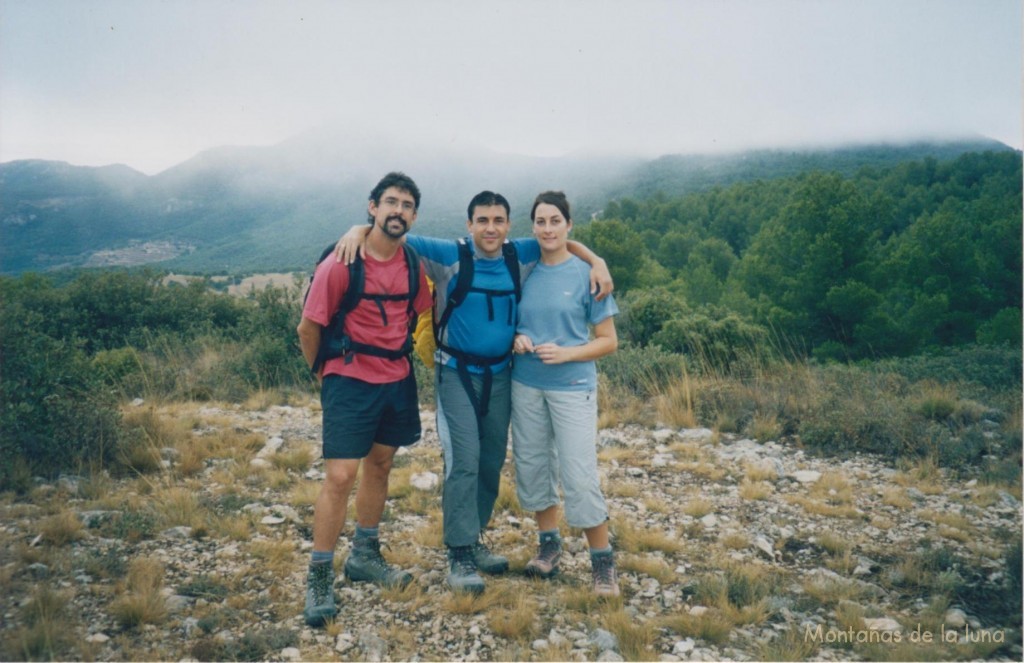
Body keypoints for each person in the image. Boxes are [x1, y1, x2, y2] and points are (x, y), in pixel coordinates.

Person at [335, 191, 613, 594]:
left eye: (499, 220)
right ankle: (459, 552)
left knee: (489, 460)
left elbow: (562, 241)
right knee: (463, 459)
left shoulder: (518, 254)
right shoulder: (451, 255)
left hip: (502, 375)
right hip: (456, 374)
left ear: (508, 226)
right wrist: (359, 227)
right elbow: (397, 234)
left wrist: (597, 261)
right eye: (482, 220)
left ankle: (475, 537)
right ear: (469, 225)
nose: (491, 228)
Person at [297, 172, 432, 626]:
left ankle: (365, 556)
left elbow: (416, 314)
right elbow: (308, 328)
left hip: (395, 378)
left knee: (380, 465)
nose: (398, 211)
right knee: (339, 476)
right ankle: (319, 575)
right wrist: (325, 376)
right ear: (371, 207)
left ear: (414, 215)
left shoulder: (413, 264)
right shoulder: (341, 263)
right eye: (390, 202)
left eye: (407, 204)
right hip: (350, 379)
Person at [510, 190, 621, 597]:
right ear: (533, 226)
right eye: (541, 221)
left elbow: (608, 341)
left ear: (569, 225)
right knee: (534, 465)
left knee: (578, 473)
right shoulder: (522, 271)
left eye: (555, 220)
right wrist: (517, 338)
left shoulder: (588, 275)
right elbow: (510, 321)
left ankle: (602, 561)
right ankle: (549, 545)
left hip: (573, 388)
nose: (548, 228)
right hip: (525, 385)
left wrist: (569, 353)